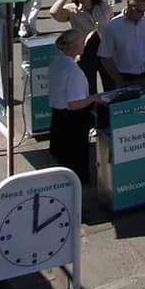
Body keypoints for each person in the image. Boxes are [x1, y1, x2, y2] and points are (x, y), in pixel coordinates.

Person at [48, 30, 99, 184]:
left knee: (60, 159)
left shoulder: (56, 62)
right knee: (75, 162)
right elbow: (75, 104)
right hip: (73, 122)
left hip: (57, 118)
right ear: (75, 45)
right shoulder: (73, 71)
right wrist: (94, 98)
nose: (84, 45)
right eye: (82, 42)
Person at [50, 0, 112, 92]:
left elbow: (110, 22)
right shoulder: (71, 9)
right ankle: (91, 106)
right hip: (83, 51)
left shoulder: (103, 6)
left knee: (110, 84)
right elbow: (53, 13)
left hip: (104, 49)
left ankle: (108, 107)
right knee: (88, 86)